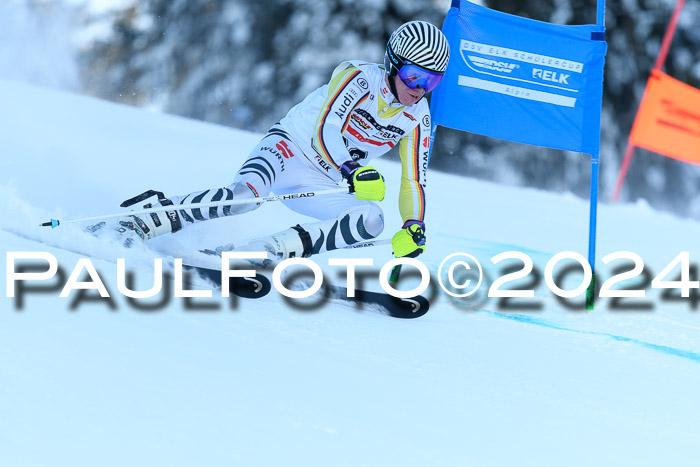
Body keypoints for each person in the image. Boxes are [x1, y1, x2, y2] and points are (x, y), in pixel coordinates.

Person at [118, 20, 450, 263]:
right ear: (393, 64)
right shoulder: (359, 77)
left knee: (371, 219)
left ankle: (261, 253)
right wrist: (352, 171)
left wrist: (414, 226)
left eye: (431, 81)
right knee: (245, 199)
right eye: (413, 75)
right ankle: (150, 217)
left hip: (322, 182)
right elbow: (326, 129)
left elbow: (414, 181)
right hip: (288, 148)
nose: (419, 88)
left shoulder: (418, 117)